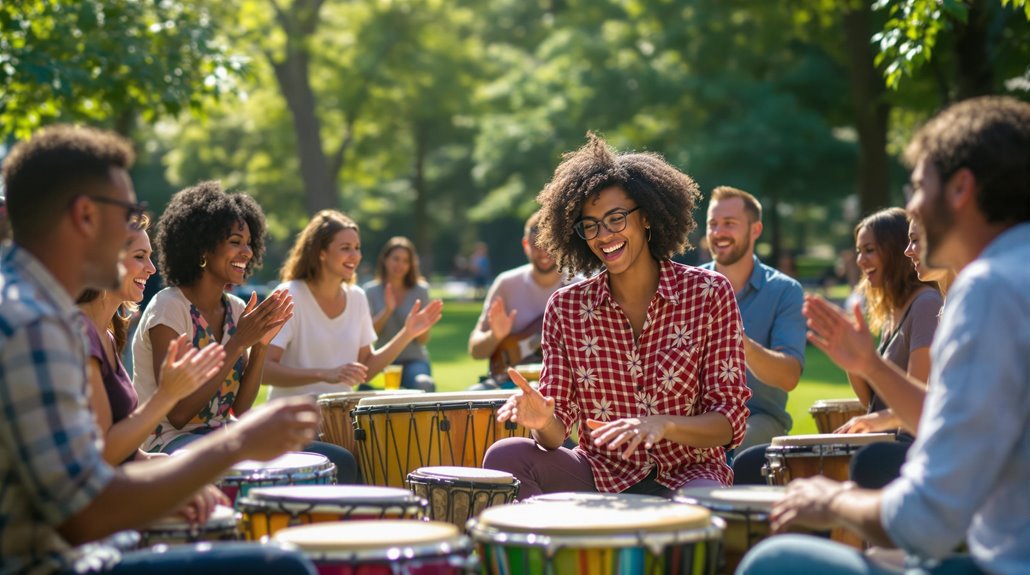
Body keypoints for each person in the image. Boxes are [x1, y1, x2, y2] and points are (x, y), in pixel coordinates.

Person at [0, 124, 318, 574]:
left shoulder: (29, 305)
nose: (135, 232)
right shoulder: (34, 324)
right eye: (127, 212)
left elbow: (89, 476)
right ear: (85, 215)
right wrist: (237, 444)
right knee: (282, 566)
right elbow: (84, 515)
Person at [738, 96, 1030, 575]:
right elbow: (961, 418)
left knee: (775, 561)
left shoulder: (989, 290)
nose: (911, 206)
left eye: (918, 187)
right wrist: (869, 366)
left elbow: (924, 521)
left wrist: (833, 498)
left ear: (961, 188)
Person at [483, 133, 751, 499]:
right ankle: (557, 554)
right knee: (507, 457)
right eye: (590, 225)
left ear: (646, 218)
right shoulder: (566, 308)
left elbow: (729, 422)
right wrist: (543, 420)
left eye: (615, 218)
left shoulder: (708, 294)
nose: (603, 235)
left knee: (705, 503)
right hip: (600, 473)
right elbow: (556, 432)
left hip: (689, 473)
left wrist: (663, 425)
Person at [78, 215, 226, 465]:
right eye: (139, 256)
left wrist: (179, 467)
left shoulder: (108, 335)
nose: (152, 268)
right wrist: (167, 395)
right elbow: (105, 456)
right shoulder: (81, 331)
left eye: (150, 256)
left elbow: (132, 456)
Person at [262, 210, 442, 399]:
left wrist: (407, 334)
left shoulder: (357, 297)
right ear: (321, 253)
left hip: (339, 419)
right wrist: (324, 374)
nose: (355, 256)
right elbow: (263, 370)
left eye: (357, 248)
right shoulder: (289, 295)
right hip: (289, 419)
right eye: (346, 248)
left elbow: (366, 369)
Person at [700, 186, 806, 451]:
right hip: (697, 418)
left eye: (729, 224)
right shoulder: (689, 285)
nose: (718, 232)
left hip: (758, 419)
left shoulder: (785, 290)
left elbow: (789, 377)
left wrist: (741, 342)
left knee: (729, 445)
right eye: (712, 224)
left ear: (755, 230)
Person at [467, 210, 576, 387]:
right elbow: (475, 351)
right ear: (525, 244)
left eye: (549, 244)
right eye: (536, 244)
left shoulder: (581, 286)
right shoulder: (506, 283)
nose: (543, 252)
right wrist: (495, 336)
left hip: (562, 387)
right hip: (506, 383)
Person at [363, 236, 436, 391]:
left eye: (405, 260)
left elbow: (423, 340)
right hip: (382, 361)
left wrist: (420, 325)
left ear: (411, 264)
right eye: (396, 259)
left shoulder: (420, 290)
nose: (400, 265)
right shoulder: (371, 291)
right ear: (385, 260)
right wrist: (387, 310)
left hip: (414, 360)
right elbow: (370, 335)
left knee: (424, 383)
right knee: (364, 388)